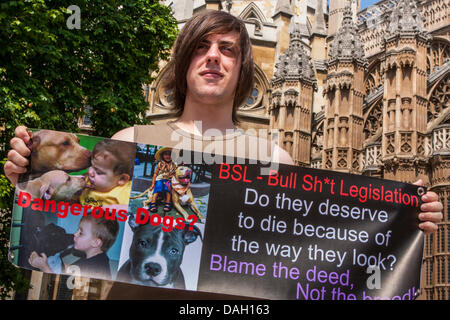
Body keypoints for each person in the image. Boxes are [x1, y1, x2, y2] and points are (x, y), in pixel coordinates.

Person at [5, 10, 443, 299]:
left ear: (244, 71)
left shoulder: (274, 158)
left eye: (227, 50)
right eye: (201, 46)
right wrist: (27, 177)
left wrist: (405, 218)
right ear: (181, 63)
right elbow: (71, 210)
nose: (213, 58)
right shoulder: (129, 140)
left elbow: (317, 255)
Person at [28, 213, 119, 280]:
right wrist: (54, 261)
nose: (75, 234)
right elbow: (73, 270)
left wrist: (44, 267)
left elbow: (62, 286)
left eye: (81, 233)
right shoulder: (97, 259)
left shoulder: (95, 268)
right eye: (77, 230)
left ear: (95, 242)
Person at [80, 139, 135, 207]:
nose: (90, 172)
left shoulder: (123, 194)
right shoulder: (88, 180)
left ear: (122, 179)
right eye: (92, 166)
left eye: (98, 172)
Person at [148, 147, 177, 213]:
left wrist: (170, 170)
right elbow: (155, 174)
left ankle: (167, 202)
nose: (168, 156)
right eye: (166, 154)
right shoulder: (160, 164)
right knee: (158, 186)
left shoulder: (174, 164)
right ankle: (153, 202)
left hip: (168, 179)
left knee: (168, 187)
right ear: (162, 156)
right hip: (160, 179)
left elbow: (175, 173)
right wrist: (153, 184)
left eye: (170, 154)